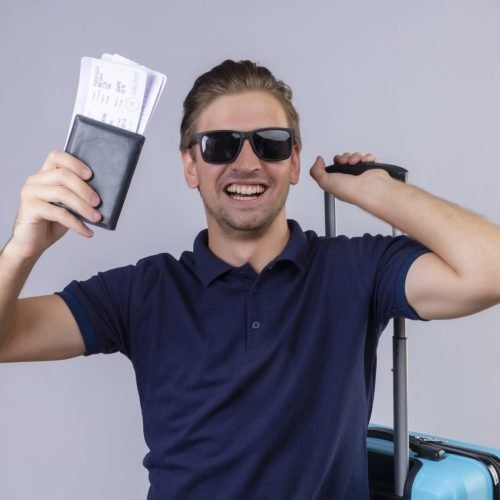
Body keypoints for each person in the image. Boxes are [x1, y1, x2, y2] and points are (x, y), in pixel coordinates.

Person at [1, 59, 499, 499]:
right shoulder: (143, 291)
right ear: (190, 166)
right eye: (219, 146)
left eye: (271, 143)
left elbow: (489, 271)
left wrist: (377, 192)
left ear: (295, 161)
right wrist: (23, 247)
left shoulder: (356, 270)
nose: (247, 162)